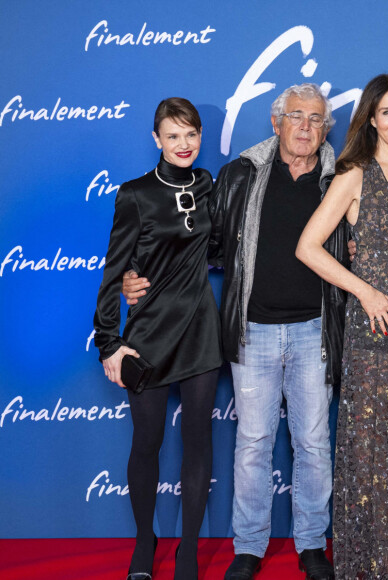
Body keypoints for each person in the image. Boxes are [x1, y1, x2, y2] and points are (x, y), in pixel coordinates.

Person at [123, 83, 349, 580]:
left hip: (315, 329)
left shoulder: (339, 177)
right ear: (276, 123)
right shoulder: (239, 174)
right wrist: (131, 274)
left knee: (312, 441)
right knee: (252, 442)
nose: (306, 127)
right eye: (296, 116)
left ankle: (312, 543)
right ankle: (248, 546)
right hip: (254, 330)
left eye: (316, 119)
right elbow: (204, 244)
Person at [297, 73, 388, 580]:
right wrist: (364, 289)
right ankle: (372, 560)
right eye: (387, 112)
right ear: (372, 119)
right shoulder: (355, 175)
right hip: (375, 329)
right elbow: (308, 247)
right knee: (372, 450)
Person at [94, 97, 222, 580]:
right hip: (148, 332)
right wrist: (109, 341)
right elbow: (112, 274)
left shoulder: (208, 185)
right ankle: (145, 543)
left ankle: (188, 551)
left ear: (200, 135)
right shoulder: (135, 194)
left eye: (191, 134)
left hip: (201, 330)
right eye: (173, 136)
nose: (183, 144)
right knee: (146, 441)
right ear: (156, 140)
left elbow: (217, 247)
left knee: (197, 441)